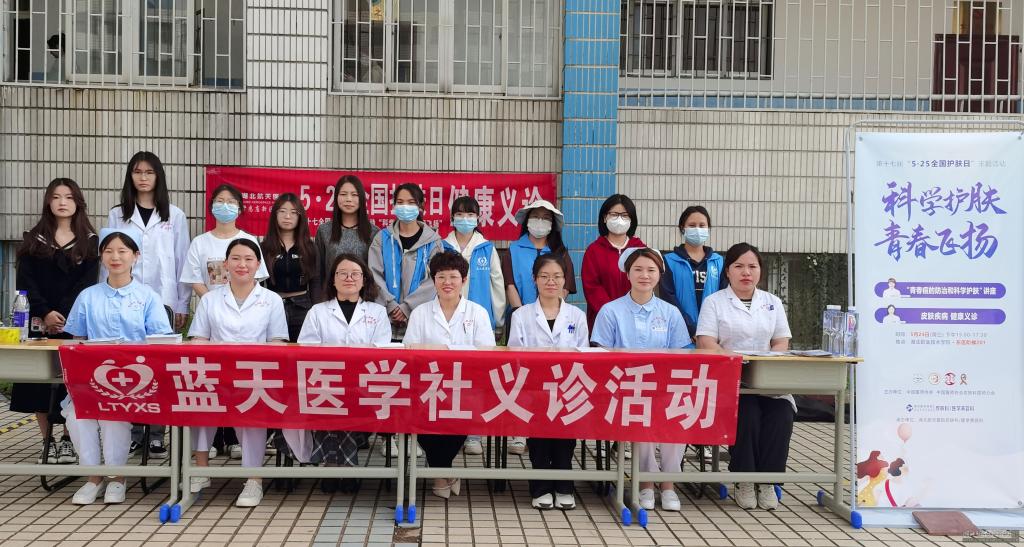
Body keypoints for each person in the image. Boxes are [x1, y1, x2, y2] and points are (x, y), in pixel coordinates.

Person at [187, 239, 303, 507]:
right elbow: (199, 339)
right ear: (225, 264)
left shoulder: (271, 300)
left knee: (253, 404)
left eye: (249, 259)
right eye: (236, 259)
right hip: (216, 374)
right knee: (198, 397)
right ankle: (201, 470)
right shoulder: (210, 299)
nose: (242, 264)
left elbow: (277, 342)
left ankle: (253, 479)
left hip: (255, 374)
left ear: (258, 264)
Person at [61, 227, 173, 505]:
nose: (115, 257)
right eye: (109, 251)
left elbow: (161, 342)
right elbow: (76, 342)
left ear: (136, 256)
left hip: (138, 380)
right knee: (77, 415)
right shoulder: (88, 296)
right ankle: (92, 477)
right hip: (91, 380)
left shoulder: (148, 296)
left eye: (123, 251)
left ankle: (117, 477)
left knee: (113, 414)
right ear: (101, 257)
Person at [591, 247, 692, 513]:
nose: (644, 275)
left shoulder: (670, 313)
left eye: (651, 270)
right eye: (638, 269)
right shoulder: (611, 311)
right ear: (627, 274)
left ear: (659, 274)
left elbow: (682, 355)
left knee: (679, 411)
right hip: (623, 389)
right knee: (640, 408)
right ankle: (646, 482)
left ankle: (668, 483)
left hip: (664, 387)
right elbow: (601, 357)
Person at [695, 242, 793, 511]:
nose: (746, 272)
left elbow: (781, 341)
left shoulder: (772, 302)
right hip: (731, 382)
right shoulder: (714, 302)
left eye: (752, 266)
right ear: (728, 271)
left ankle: (768, 482)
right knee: (747, 413)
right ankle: (744, 480)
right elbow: (706, 342)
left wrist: (766, 363)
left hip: (768, 382)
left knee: (782, 413)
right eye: (739, 266)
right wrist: (733, 361)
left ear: (760, 270)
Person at [107, 151, 191, 458]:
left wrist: (182, 304)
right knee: (128, 366)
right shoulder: (118, 215)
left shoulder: (174, 215)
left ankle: (156, 435)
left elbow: (181, 261)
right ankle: (134, 433)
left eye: (149, 172)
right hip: (125, 300)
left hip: (163, 302)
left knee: (158, 369)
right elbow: (109, 257)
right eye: (137, 172)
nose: (143, 178)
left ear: (158, 177)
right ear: (130, 176)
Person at [9, 178, 99, 467]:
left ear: (78, 203)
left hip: (74, 324)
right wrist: (45, 312)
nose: (62, 202)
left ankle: (69, 440)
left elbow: (87, 284)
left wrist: (65, 315)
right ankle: (47, 441)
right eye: (56, 197)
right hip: (39, 321)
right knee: (39, 382)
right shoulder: (34, 239)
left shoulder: (90, 241)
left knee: (71, 381)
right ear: (48, 202)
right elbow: (25, 282)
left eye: (69, 197)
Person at [181, 184, 268, 460]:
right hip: (212, 314)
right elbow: (194, 278)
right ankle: (207, 451)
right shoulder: (200, 242)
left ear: (240, 208)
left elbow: (254, 279)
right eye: (220, 201)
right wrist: (215, 301)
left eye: (231, 201)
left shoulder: (249, 239)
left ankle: (236, 443)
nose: (225, 206)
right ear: (211, 207)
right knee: (211, 381)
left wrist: (231, 300)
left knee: (243, 384)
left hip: (245, 317)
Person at [404, 251, 496, 499]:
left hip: (466, 388)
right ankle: (443, 473)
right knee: (423, 412)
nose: (447, 282)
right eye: (441, 277)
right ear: (433, 280)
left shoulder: (477, 312)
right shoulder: (420, 313)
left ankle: (439, 473)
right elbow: (410, 352)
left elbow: (486, 353)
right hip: (427, 388)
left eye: (453, 277)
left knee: (459, 411)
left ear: (464, 280)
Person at [297, 253, 392, 493]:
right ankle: (344, 466)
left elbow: (380, 352)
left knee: (349, 400)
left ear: (364, 280)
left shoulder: (377, 312)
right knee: (332, 398)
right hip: (325, 384)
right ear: (333, 279)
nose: (349, 278)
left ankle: (335, 466)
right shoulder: (318, 311)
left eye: (355, 274)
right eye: (343, 273)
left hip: (365, 385)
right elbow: (307, 350)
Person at [507, 255, 589, 510]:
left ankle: (564, 486)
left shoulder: (577, 315)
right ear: (535, 279)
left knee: (565, 437)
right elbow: (515, 355)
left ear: (565, 280)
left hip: (567, 388)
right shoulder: (521, 315)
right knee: (539, 436)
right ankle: (541, 487)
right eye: (544, 276)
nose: (550, 282)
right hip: (533, 388)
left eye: (556, 276)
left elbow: (583, 355)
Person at [441, 196, 507, 456]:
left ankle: (474, 434)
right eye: (460, 214)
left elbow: (497, 284)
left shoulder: (486, 248)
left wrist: (497, 319)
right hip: (447, 317)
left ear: (478, 218)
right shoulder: (442, 245)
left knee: (476, 378)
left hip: (479, 321)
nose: (465, 219)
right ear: (452, 218)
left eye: (470, 215)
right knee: (447, 377)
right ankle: (447, 429)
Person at [368, 183, 442, 336]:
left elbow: (435, 279)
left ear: (421, 206)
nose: (405, 207)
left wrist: (407, 307)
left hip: (419, 321)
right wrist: (391, 305)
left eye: (411, 202)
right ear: (394, 206)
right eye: (400, 202)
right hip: (384, 320)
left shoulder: (433, 241)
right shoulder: (382, 238)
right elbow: (374, 274)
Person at [581, 194, 645, 331]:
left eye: (625, 215)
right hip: (603, 320)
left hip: (635, 320)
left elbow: (646, 282)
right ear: (605, 217)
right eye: (614, 214)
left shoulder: (640, 249)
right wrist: (612, 313)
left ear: (631, 219)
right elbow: (592, 287)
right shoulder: (594, 250)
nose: (619, 219)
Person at [261, 193, 319, 343]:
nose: (287, 216)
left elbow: (315, 282)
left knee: (303, 351)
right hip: (272, 307)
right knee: (274, 351)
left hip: (303, 307)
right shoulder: (265, 248)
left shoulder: (309, 247)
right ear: (275, 215)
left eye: (293, 212)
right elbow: (258, 283)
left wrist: (316, 310)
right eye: (282, 211)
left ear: (300, 217)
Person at [661, 205, 723, 340]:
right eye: (692, 225)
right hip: (680, 333)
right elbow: (668, 298)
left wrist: (708, 330)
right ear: (682, 228)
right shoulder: (669, 261)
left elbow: (724, 297)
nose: (697, 229)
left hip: (713, 334)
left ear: (708, 229)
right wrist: (691, 328)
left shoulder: (719, 262)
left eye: (702, 225)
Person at [502, 199, 576, 311]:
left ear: (552, 224)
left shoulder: (561, 252)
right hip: (519, 313)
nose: (540, 221)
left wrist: (549, 312)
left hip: (553, 314)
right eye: (535, 216)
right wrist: (521, 314)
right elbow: (510, 285)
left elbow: (566, 287)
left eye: (546, 218)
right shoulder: (513, 250)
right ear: (527, 220)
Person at [315, 175, 380, 274]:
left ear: (362, 198)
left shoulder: (374, 232)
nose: (348, 199)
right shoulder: (324, 230)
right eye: (343, 194)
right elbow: (318, 270)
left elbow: (376, 271)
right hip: (331, 284)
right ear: (336, 197)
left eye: (354, 195)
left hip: (364, 284)